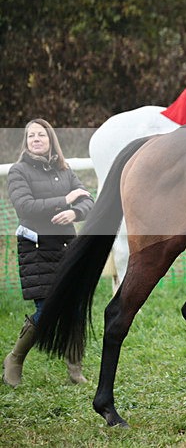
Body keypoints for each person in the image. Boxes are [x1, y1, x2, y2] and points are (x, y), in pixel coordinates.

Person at [3, 119, 95, 387]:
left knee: (75, 308)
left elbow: (87, 200)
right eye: (31, 135)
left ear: (51, 139)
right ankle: (14, 359)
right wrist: (64, 200)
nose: (36, 139)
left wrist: (74, 212)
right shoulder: (18, 171)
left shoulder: (64, 170)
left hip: (67, 248)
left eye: (41, 135)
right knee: (46, 310)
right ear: (26, 141)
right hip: (36, 249)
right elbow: (24, 207)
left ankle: (75, 370)